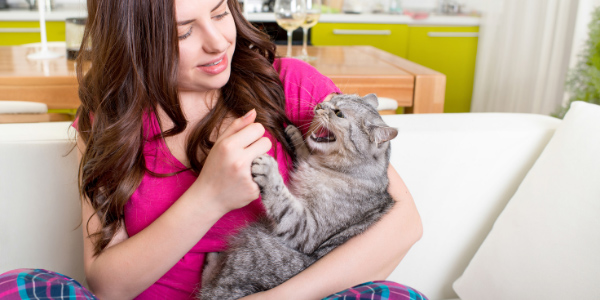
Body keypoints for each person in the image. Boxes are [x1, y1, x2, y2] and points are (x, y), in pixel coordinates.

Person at [0, 0, 425, 299]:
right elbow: (109, 286)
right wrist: (210, 196)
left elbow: (402, 224)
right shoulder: (109, 121)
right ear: (134, 41)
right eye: (184, 31)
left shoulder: (290, 87)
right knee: (20, 286)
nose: (218, 42)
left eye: (220, 12)